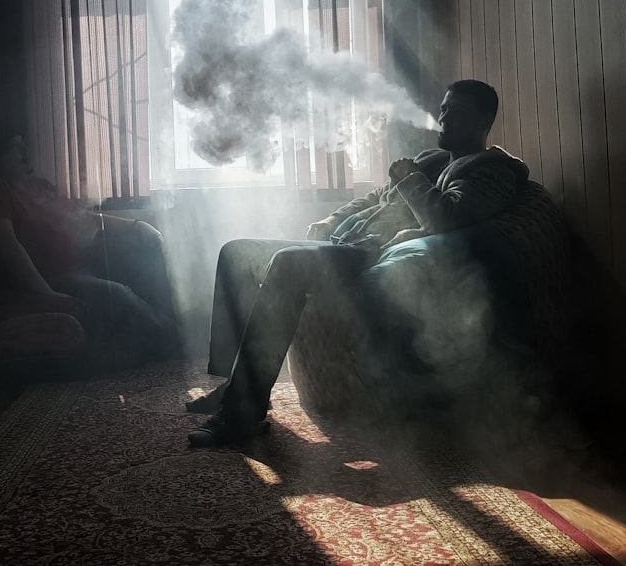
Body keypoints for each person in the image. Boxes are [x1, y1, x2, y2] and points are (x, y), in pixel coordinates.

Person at [187, 79, 529, 446]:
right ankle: (234, 385)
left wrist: (411, 179)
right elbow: (371, 200)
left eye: (456, 113)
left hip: (372, 255)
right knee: (237, 251)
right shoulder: (431, 160)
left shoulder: (493, 171)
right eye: (443, 110)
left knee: (287, 262)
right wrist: (330, 221)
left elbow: (445, 219)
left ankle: (242, 414)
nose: (443, 119)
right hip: (343, 243)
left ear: (484, 122)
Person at [0, 124, 182, 374]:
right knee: (119, 294)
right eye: (17, 148)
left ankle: (164, 333)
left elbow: (86, 219)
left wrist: (138, 225)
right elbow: (9, 246)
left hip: (82, 265)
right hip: (57, 278)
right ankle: (179, 343)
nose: (27, 152)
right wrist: (46, 292)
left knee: (143, 254)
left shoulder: (40, 187)